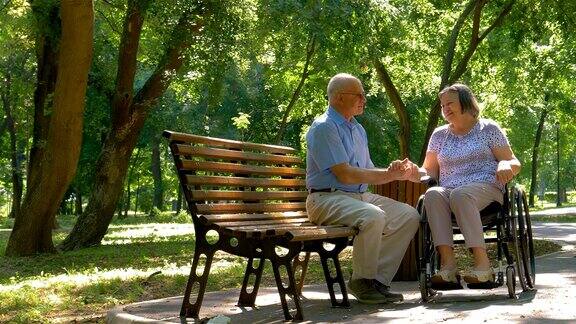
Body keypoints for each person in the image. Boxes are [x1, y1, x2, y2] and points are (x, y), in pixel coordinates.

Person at [305, 73, 421, 304]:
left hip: (358, 196)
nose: (363, 99)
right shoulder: (324, 128)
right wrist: (390, 174)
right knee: (373, 216)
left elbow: (366, 172)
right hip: (325, 200)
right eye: (358, 94)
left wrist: (395, 172)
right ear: (338, 98)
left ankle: (376, 281)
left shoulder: (358, 130)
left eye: (363, 94)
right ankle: (361, 280)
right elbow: (345, 174)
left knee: (409, 215)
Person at [417, 83, 521, 285]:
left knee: (460, 194)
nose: (445, 108)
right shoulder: (439, 135)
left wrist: (505, 165)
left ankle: (483, 266)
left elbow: (514, 162)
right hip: (450, 190)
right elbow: (428, 171)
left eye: (450, 103)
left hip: (487, 187)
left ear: (465, 103)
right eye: (442, 105)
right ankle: (448, 266)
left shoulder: (488, 129)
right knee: (432, 194)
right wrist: (413, 172)